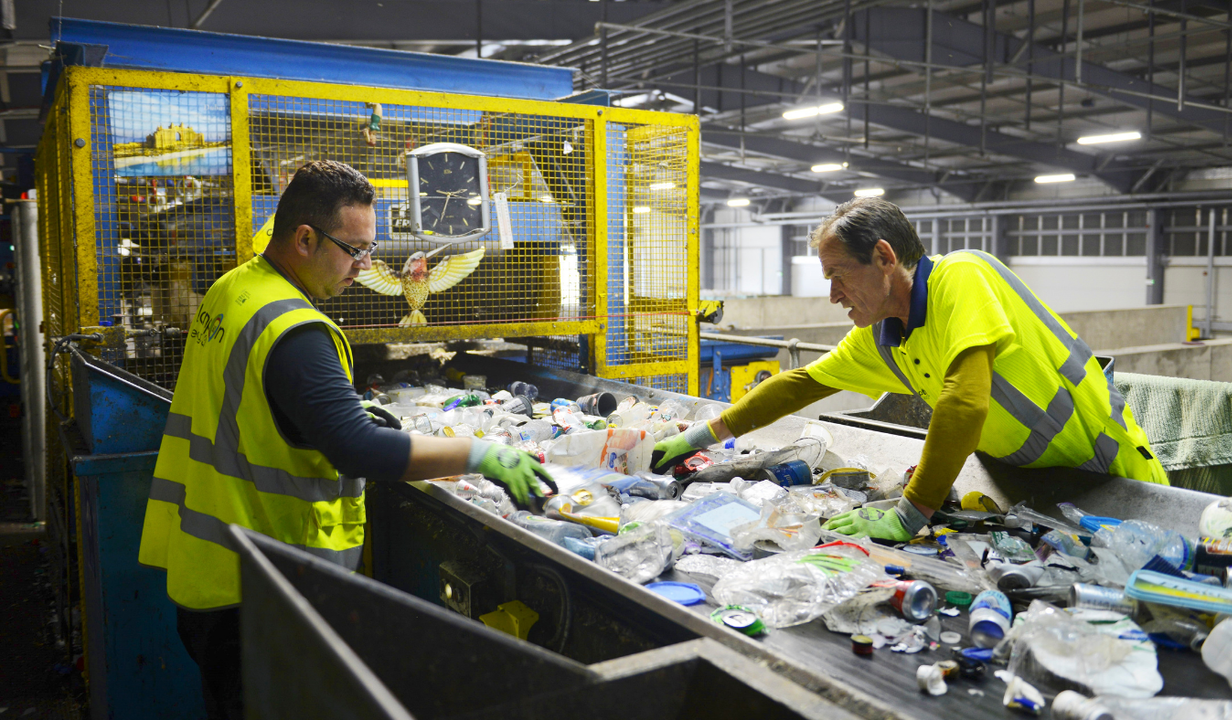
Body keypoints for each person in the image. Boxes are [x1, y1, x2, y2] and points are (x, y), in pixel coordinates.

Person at [137, 160, 551, 720]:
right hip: (263, 590)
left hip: (211, 568)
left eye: (370, 251)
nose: (363, 267)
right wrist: (483, 453)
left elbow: (254, 405)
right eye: (354, 250)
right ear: (304, 238)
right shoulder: (295, 329)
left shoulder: (235, 288)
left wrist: (337, 409)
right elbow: (358, 449)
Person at [654, 197, 1166, 541]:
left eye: (837, 275)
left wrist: (910, 511)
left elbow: (964, 402)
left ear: (882, 256)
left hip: (1112, 479)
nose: (832, 295)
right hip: (1033, 488)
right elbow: (802, 384)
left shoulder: (963, 276)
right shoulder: (885, 336)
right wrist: (702, 433)